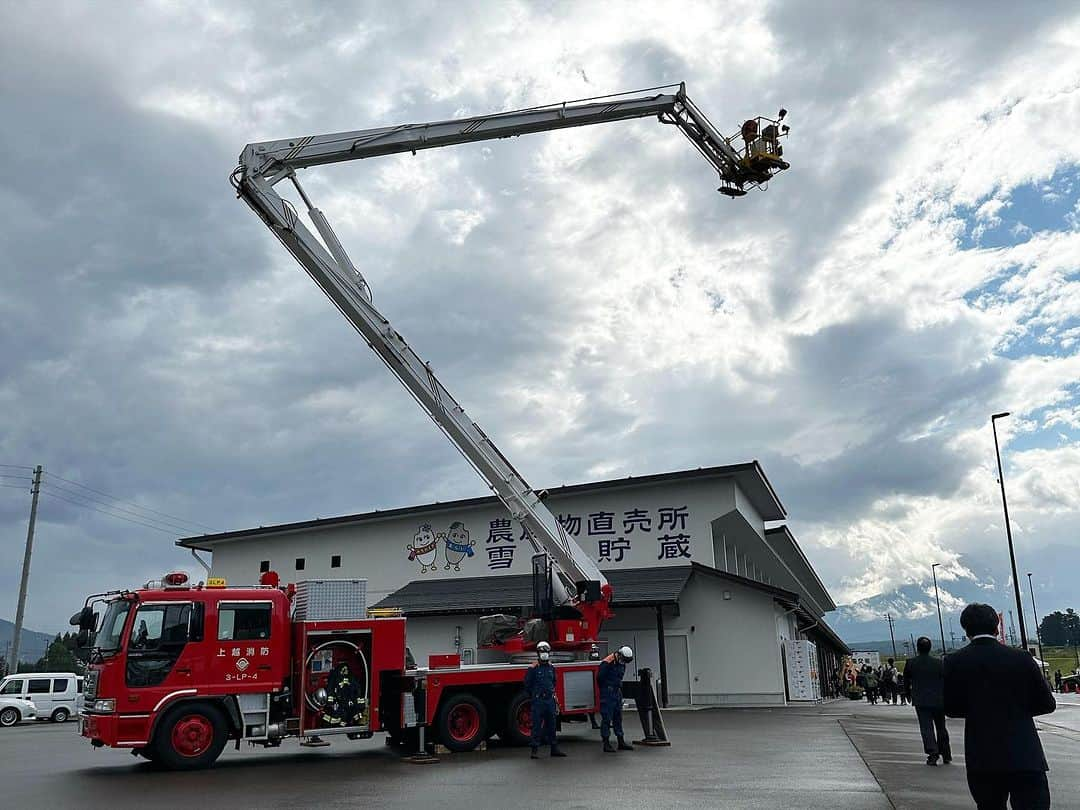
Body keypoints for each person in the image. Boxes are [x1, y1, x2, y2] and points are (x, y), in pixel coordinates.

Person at [945, 603, 1056, 809]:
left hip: (982, 755)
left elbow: (951, 708)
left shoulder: (954, 661)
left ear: (966, 630)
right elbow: (1047, 704)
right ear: (996, 628)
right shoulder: (1021, 658)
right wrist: (1019, 711)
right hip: (1024, 751)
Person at [904, 636, 950, 765]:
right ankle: (946, 753)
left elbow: (906, 681)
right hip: (939, 699)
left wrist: (907, 694)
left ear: (917, 648)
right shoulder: (939, 663)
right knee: (941, 727)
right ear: (930, 648)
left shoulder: (911, 663)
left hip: (921, 700)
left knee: (926, 727)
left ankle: (932, 752)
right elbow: (946, 680)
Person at [523, 641, 565, 759]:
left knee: (552, 725)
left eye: (546, 652)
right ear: (538, 653)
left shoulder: (551, 667)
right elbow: (527, 684)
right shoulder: (533, 668)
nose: (544, 654)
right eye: (542, 652)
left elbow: (554, 682)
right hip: (538, 701)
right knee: (536, 726)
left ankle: (554, 749)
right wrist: (534, 695)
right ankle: (534, 750)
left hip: (549, 701)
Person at [598, 645, 635, 752]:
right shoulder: (608, 662)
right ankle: (606, 743)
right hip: (608, 693)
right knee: (606, 718)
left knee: (618, 717)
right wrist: (606, 690)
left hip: (616, 692)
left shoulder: (621, 663)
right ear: (619, 655)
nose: (624, 662)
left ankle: (621, 741)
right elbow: (600, 678)